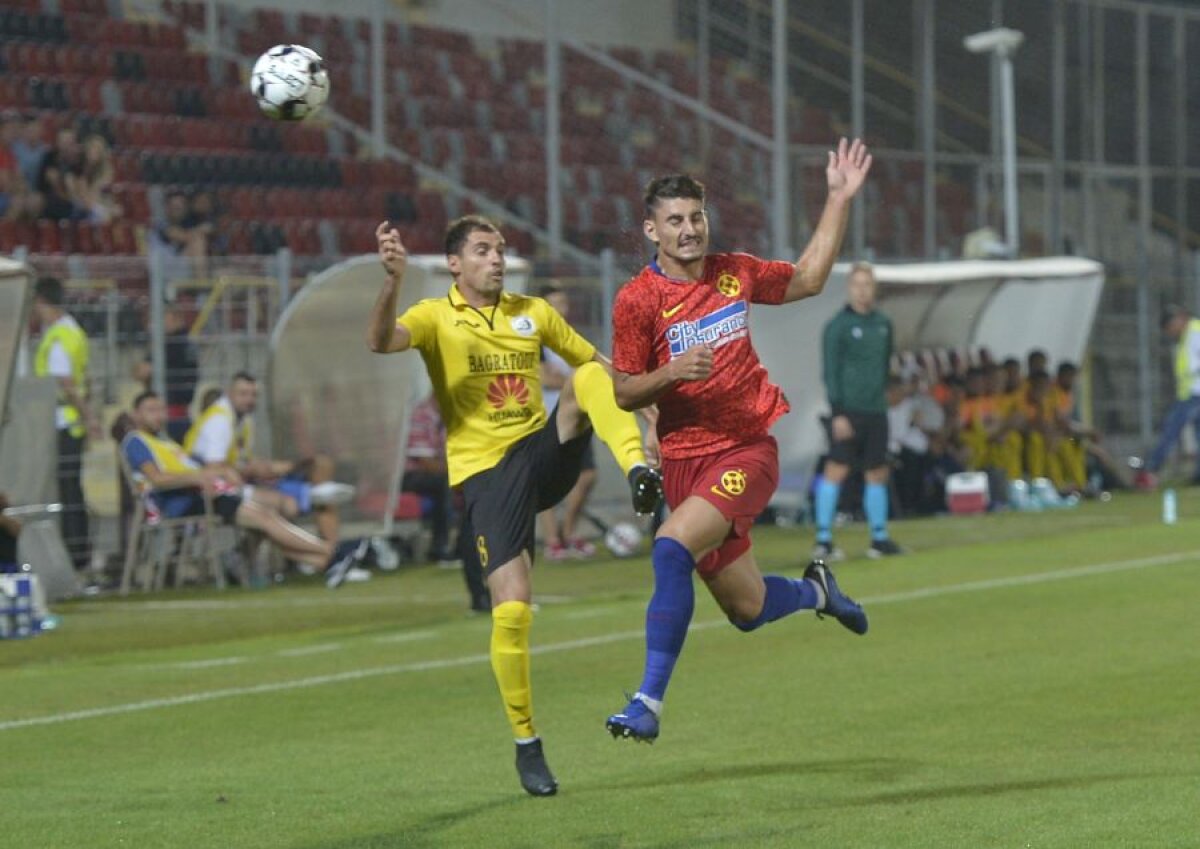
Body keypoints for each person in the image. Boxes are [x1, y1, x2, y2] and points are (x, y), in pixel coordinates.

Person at [367, 213, 663, 797]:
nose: (497, 259)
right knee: (512, 611)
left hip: (537, 454)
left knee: (582, 379)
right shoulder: (433, 317)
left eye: (501, 250)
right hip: (485, 476)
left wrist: (648, 408)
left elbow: (598, 363)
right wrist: (392, 281)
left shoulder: (534, 311)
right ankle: (527, 743)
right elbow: (379, 342)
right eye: (483, 250)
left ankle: (635, 470)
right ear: (455, 264)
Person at [603, 138, 873, 746]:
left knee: (670, 547)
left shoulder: (734, 272)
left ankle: (647, 701)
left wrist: (837, 199)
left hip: (745, 451)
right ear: (652, 230)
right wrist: (671, 373)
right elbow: (622, 391)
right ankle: (816, 591)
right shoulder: (636, 302)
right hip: (682, 463)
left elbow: (806, 278)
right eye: (675, 220)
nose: (690, 229)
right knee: (747, 610)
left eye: (696, 216)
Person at [121, 391, 363, 581]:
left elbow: (191, 468)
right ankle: (333, 553)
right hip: (181, 503)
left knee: (264, 521)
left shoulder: (163, 441)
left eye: (161, 410)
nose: (159, 415)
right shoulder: (136, 442)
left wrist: (215, 473)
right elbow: (157, 479)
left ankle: (325, 561)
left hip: (202, 495)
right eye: (151, 410)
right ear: (136, 415)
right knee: (265, 517)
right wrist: (198, 477)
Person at [183, 373, 358, 575]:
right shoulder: (219, 420)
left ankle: (327, 559)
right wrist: (255, 471)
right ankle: (333, 553)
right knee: (284, 507)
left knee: (312, 484)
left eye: (254, 395)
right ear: (230, 393)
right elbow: (215, 467)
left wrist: (281, 467)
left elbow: (243, 463)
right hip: (209, 491)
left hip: (230, 486)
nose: (250, 400)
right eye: (243, 394)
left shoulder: (243, 420)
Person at [813, 261, 903, 560]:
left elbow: (886, 363)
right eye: (858, 285)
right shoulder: (837, 327)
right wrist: (837, 412)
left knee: (877, 472)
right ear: (850, 288)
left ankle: (879, 538)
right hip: (848, 412)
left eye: (868, 285)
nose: (863, 291)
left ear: (874, 288)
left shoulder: (883, 323)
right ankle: (823, 540)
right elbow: (830, 372)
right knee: (836, 470)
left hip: (876, 410)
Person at [32, 277, 99, 576]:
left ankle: (75, 555)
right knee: (73, 489)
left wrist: (89, 417)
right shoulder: (75, 332)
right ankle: (80, 553)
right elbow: (87, 379)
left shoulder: (58, 337)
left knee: (68, 491)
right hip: (72, 423)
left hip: (61, 421)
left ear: (42, 303)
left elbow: (67, 384)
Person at [536, 283, 599, 560]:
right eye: (554, 304)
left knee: (587, 476)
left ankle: (568, 532)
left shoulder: (571, 339)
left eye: (563, 302)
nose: (561, 308)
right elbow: (545, 378)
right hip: (545, 420)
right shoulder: (535, 341)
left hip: (577, 419)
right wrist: (576, 383)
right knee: (544, 482)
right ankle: (552, 541)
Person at [1140, 305, 1200, 488]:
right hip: (1190, 393)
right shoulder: (1188, 334)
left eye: (1170, 327)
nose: (1170, 332)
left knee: (1170, 430)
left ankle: (1150, 470)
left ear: (1180, 318)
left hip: (1194, 394)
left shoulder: (1195, 332)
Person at [134, 303, 199, 442]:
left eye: (161, 318)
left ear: (175, 318)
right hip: (181, 416)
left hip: (169, 418)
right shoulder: (185, 342)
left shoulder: (172, 343)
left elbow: (142, 372)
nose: (155, 323)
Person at [402, 393, 455, 561]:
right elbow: (425, 462)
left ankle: (465, 548)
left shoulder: (445, 417)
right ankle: (439, 547)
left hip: (437, 471)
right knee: (442, 484)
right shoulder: (421, 416)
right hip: (410, 476)